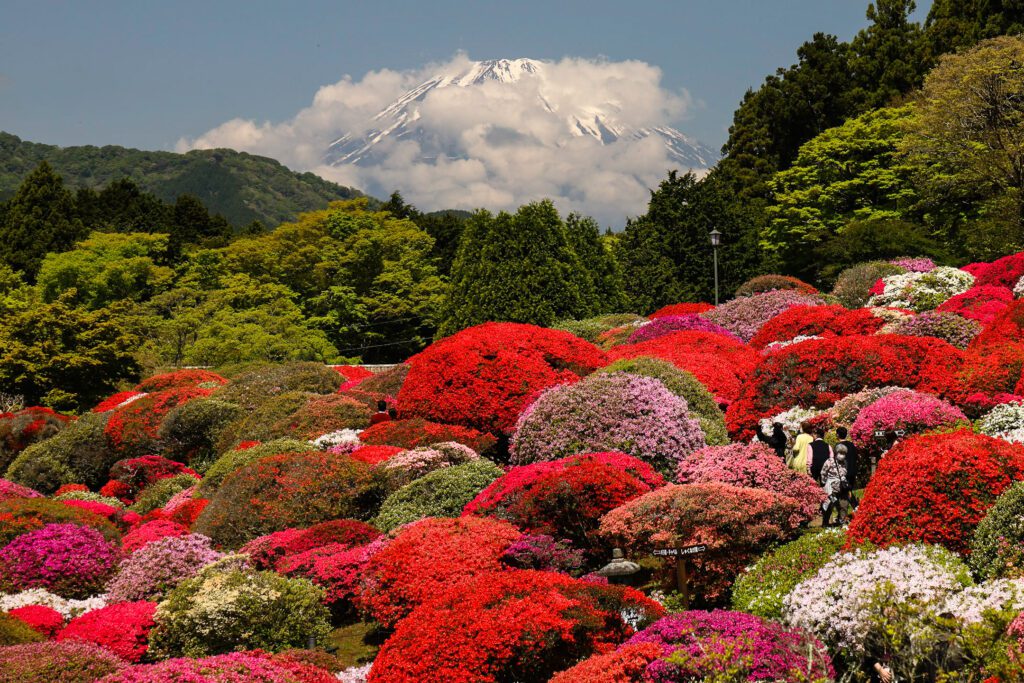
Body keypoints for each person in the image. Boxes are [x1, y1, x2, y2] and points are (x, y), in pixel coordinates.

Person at [821, 444, 851, 527]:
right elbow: (823, 473)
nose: (842, 455)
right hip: (831, 488)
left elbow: (845, 473)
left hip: (842, 487)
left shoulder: (845, 462)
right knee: (829, 505)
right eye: (840, 453)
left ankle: (842, 521)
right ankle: (825, 522)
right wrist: (824, 483)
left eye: (844, 453)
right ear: (836, 452)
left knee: (844, 504)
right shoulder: (829, 461)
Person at [835, 426, 860, 499]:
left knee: (844, 491)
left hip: (843, 471)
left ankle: (853, 504)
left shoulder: (838, 446)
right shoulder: (851, 445)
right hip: (852, 470)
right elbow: (856, 456)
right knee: (850, 489)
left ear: (837, 435)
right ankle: (854, 504)